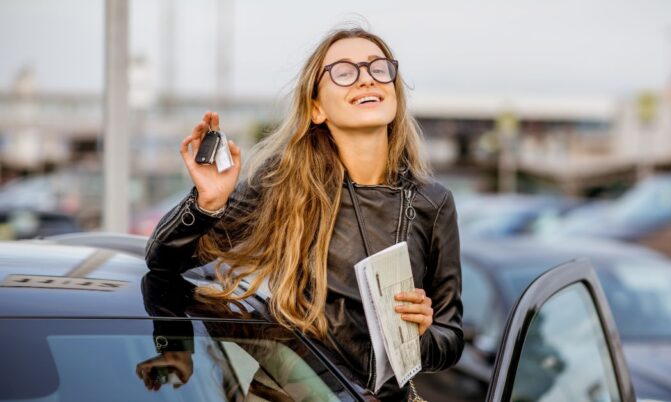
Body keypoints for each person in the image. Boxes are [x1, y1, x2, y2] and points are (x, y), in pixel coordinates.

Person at [145, 26, 463, 401]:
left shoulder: (433, 202)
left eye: (378, 68)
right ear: (316, 108)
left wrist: (421, 336)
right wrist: (208, 202)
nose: (365, 79)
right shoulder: (281, 186)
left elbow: (451, 338)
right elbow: (163, 262)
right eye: (344, 72)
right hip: (290, 392)